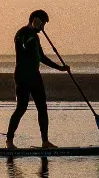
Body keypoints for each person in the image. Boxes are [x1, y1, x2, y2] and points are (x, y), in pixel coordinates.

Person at [6, 10, 69, 149]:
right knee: (21, 108)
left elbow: (41, 57)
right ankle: (9, 141)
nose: (43, 28)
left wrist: (60, 68)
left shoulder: (36, 36)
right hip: (22, 75)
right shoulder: (22, 33)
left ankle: (45, 141)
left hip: (35, 75)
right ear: (36, 20)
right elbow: (22, 46)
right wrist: (31, 36)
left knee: (42, 107)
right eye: (43, 24)